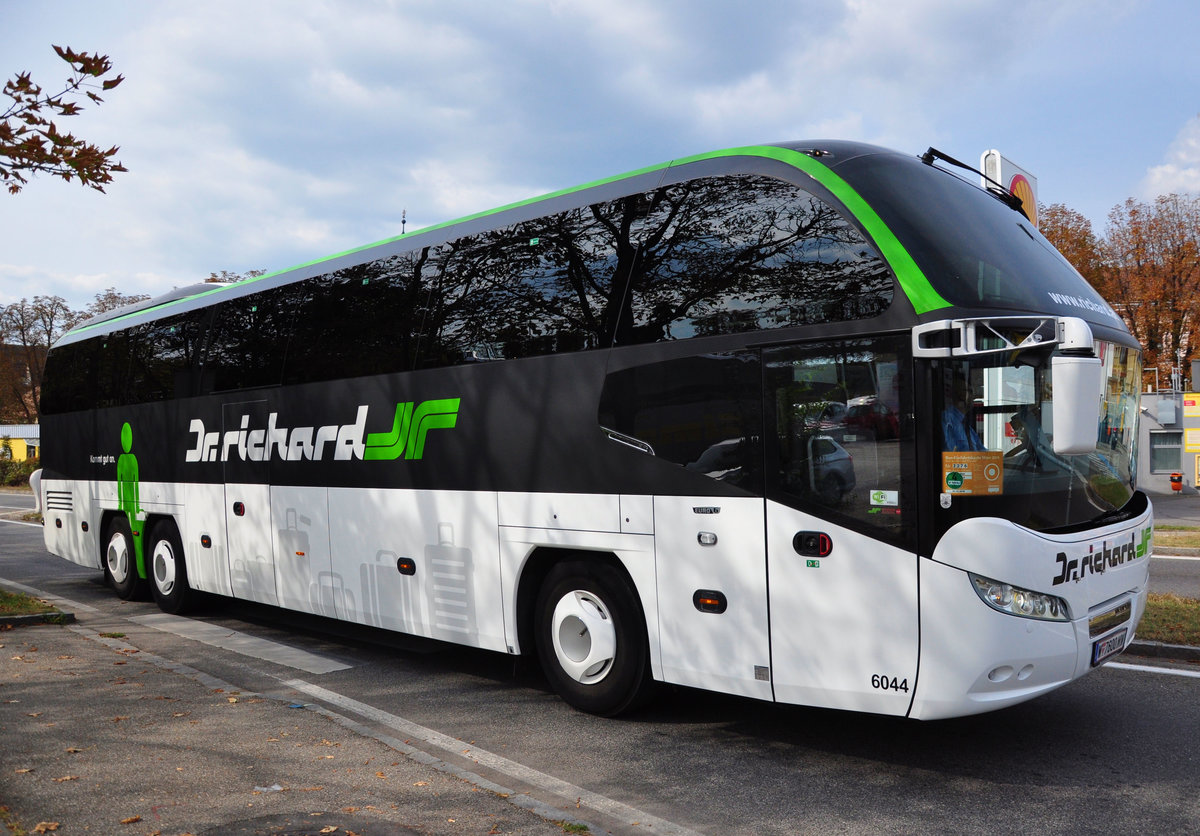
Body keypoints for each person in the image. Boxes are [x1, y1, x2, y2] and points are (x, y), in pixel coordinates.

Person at [942, 375, 983, 452]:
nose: (973, 396)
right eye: (969, 391)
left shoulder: (966, 426)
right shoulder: (947, 420)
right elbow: (952, 456)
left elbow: (982, 451)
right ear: (958, 394)